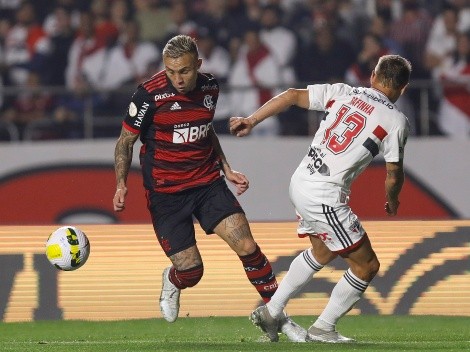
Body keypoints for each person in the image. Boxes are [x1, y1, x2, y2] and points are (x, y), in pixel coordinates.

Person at [112, 34, 305, 342]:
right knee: (192, 272)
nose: (178, 79)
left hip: (206, 183)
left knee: (247, 246)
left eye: (185, 71)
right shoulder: (148, 95)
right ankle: (174, 280)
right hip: (166, 193)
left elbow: (205, 132)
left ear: (198, 65)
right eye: (171, 71)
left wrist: (226, 168)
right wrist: (121, 183)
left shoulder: (210, 88)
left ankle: (278, 317)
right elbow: (125, 142)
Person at [230, 54, 412, 343]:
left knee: (323, 252)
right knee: (367, 266)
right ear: (403, 89)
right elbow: (393, 174)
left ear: (373, 77)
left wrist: (251, 120)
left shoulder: (344, 91)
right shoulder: (396, 120)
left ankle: (272, 310)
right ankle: (323, 327)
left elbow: (291, 95)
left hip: (301, 180)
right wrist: (393, 199)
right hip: (324, 195)